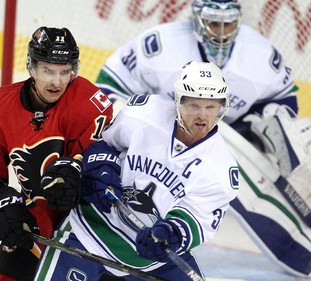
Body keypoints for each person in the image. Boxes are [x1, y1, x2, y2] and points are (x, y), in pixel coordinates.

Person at [95, 0, 311, 277]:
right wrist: (135, 119)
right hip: (164, 128)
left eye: (228, 24)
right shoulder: (161, 43)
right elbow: (110, 84)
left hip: (224, 137)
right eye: (214, 23)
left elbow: (283, 98)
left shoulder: (259, 53)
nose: (221, 32)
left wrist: (265, 123)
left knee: (278, 137)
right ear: (197, 20)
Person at [34, 60, 239, 280]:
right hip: (89, 231)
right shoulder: (144, 113)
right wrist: (102, 170)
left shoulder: (221, 168)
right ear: (178, 102)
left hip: (150, 259)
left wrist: (171, 234)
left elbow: (196, 217)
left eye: (211, 107)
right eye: (194, 106)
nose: (202, 116)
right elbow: (103, 144)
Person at [0, 26, 113, 281]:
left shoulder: (88, 103)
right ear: (31, 68)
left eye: (65, 71)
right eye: (48, 70)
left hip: (92, 217)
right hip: (38, 211)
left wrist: (73, 172)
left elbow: (101, 163)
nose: (57, 81)